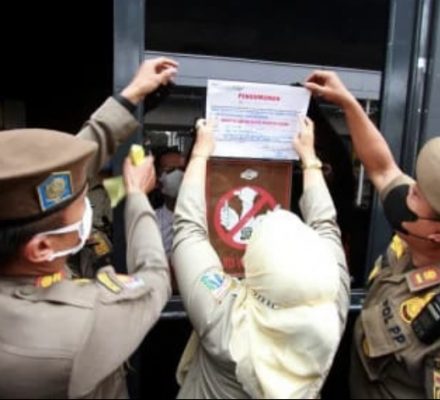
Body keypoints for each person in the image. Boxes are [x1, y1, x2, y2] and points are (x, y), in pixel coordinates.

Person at [0, 57, 177, 398]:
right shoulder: (81, 324)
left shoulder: (17, 239)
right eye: (80, 205)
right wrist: (136, 195)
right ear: (41, 248)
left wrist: (131, 95)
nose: (86, 207)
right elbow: (155, 277)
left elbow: (56, 181)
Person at [172, 118, 350, 399]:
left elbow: (188, 231)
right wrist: (310, 161)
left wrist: (199, 155)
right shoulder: (332, 305)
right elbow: (326, 227)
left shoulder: (224, 318)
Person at [305, 70, 440, 399]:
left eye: (419, 194)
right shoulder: (413, 223)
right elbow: (382, 167)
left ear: (436, 234)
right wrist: (348, 103)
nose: (409, 189)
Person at [154, 148, 186, 259]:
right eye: (170, 170)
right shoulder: (151, 222)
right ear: (158, 180)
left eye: (182, 169)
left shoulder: (203, 217)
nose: (179, 174)